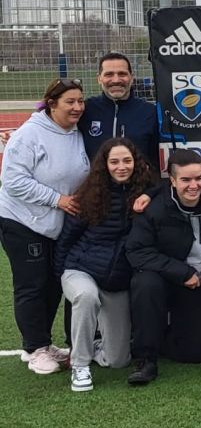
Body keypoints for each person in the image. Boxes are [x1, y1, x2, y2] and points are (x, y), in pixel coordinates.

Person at [0, 78, 90, 375]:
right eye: (70, 102)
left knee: (53, 283)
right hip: (23, 221)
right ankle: (34, 348)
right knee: (32, 284)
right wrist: (57, 200)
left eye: (80, 101)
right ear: (51, 104)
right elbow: (13, 181)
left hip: (56, 224)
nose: (77, 107)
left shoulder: (75, 132)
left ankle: (44, 344)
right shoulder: (28, 135)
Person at [125, 149, 201, 385]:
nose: (194, 185)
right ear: (172, 181)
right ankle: (146, 358)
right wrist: (181, 272)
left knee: (198, 354)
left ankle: (169, 330)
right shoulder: (154, 209)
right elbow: (136, 251)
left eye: (199, 178)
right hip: (169, 280)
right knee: (145, 283)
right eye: (185, 180)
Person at [53, 138, 153, 391]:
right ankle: (80, 366)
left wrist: (149, 196)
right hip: (81, 269)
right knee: (86, 297)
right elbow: (66, 239)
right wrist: (61, 275)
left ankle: (98, 347)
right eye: (115, 161)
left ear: (136, 163)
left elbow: (164, 190)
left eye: (127, 161)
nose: (122, 167)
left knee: (118, 360)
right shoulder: (90, 195)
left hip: (116, 278)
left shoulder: (145, 191)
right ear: (104, 165)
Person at [79, 52, 160, 166]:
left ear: (132, 77)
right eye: (109, 74)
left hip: (140, 183)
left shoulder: (150, 112)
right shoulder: (85, 110)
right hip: (97, 183)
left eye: (122, 74)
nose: (116, 80)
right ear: (99, 78)